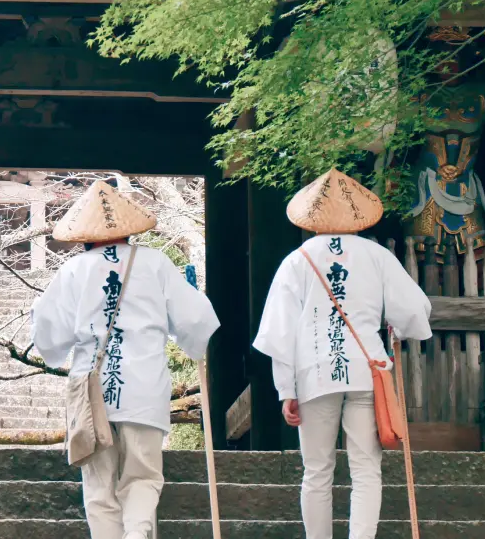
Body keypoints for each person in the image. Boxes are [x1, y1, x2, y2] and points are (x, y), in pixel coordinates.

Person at [31, 179, 220, 539]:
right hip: (145, 388)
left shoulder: (74, 270)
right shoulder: (156, 263)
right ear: (128, 230)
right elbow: (195, 319)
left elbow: (49, 333)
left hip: (91, 390)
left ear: (84, 235)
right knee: (143, 477)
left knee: (99, 486)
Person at [252, 168, 432, 539]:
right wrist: (398, 328)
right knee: (367, 468)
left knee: (317, 469)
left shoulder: (297, 260)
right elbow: (415, 309)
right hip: (367, 370)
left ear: (313, 218)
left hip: (314, 373)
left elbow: (279, 329)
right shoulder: (377, 256)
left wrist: (286, 388)